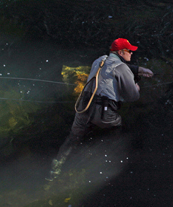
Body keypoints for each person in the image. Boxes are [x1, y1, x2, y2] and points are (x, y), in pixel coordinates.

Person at [47, 38, 153, 181]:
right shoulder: (122, 68)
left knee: (73, 137)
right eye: (129, 51)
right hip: (104, 113)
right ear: (121, 52)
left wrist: (139, 70)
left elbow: (112, 67)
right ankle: (103, 161)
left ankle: (55, 169)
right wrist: (136, 87)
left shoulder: (99, 60)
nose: (132, 54)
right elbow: (132, 96)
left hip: (83, 107)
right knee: (116, 128)